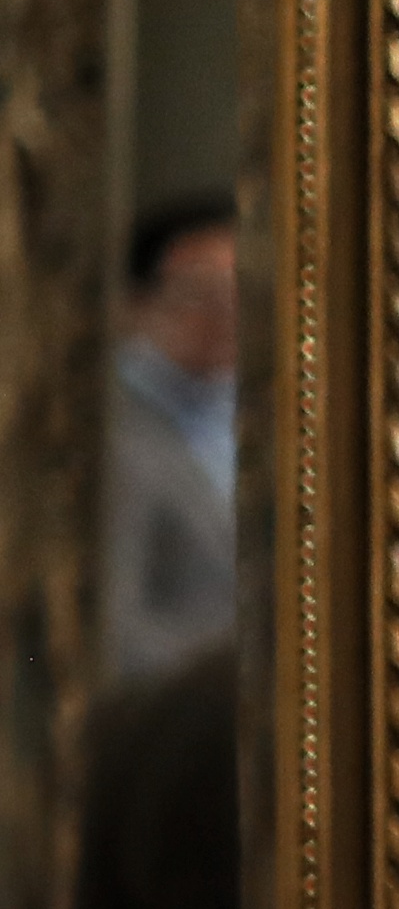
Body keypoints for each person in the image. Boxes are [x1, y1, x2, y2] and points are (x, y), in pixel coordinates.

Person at [103, 190, 243, 697]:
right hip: (168, 720)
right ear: (138, 302)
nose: (224, 315)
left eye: (240, 293)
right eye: (201, 293)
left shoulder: (256, 414)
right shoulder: (107, 436)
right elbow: (109, 625)